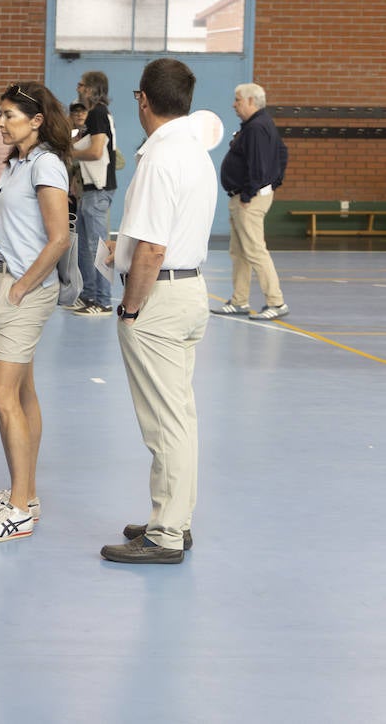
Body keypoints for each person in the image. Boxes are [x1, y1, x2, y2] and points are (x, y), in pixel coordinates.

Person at [100, 58, 216, 564]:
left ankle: (166, 535)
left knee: (164, 424)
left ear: (143, 100)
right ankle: (175, 518)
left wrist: (130, 307)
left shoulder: (158, 158)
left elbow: (150, 248)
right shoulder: (193, 151)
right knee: (180, 417)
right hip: (190, 293)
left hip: (158, 300)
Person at [0, 83, 72, 542]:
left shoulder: (46, 164)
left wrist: (23, 288)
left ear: (36, 121)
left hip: (23, 291)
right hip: (6, 279)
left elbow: (58, 237)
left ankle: (21, 510)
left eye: (8, 115)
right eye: (0, 115)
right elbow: (24, 226)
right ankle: (23, 492)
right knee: (23, 391)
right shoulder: (17, 164)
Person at [213, 83, 290, 321]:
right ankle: (239, 300)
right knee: (239, 251)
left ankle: (276, 302)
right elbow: (282, 153)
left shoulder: (257, 127)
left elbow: (258, 165)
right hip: (247, 196)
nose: (234, 105)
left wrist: (248, 194)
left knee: (255, 250)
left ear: (250, 101)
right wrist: (274, 183)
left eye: (237, 100)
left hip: (249, 199)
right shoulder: (257, 125)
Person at [69, 71, 117, 317]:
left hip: (98, 189)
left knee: (97, 246)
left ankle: (104, 299)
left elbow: (97, 151)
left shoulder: (98, 113)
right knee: (85, 247)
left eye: (82, 85)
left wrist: (70, 154)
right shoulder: (93, 115)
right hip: (89, 189)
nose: (78, 88)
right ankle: (89, 294)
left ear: (92, 88)